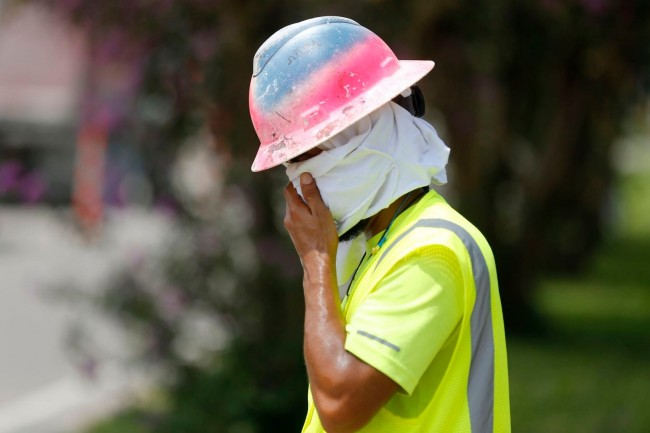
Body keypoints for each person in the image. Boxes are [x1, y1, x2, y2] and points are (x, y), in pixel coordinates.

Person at [249, 16, 510, 433]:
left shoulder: (431, 251)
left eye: (303, 157)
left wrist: (316, 261)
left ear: (363, 136)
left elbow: (340, 403)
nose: (297, 184)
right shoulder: (378, 246)